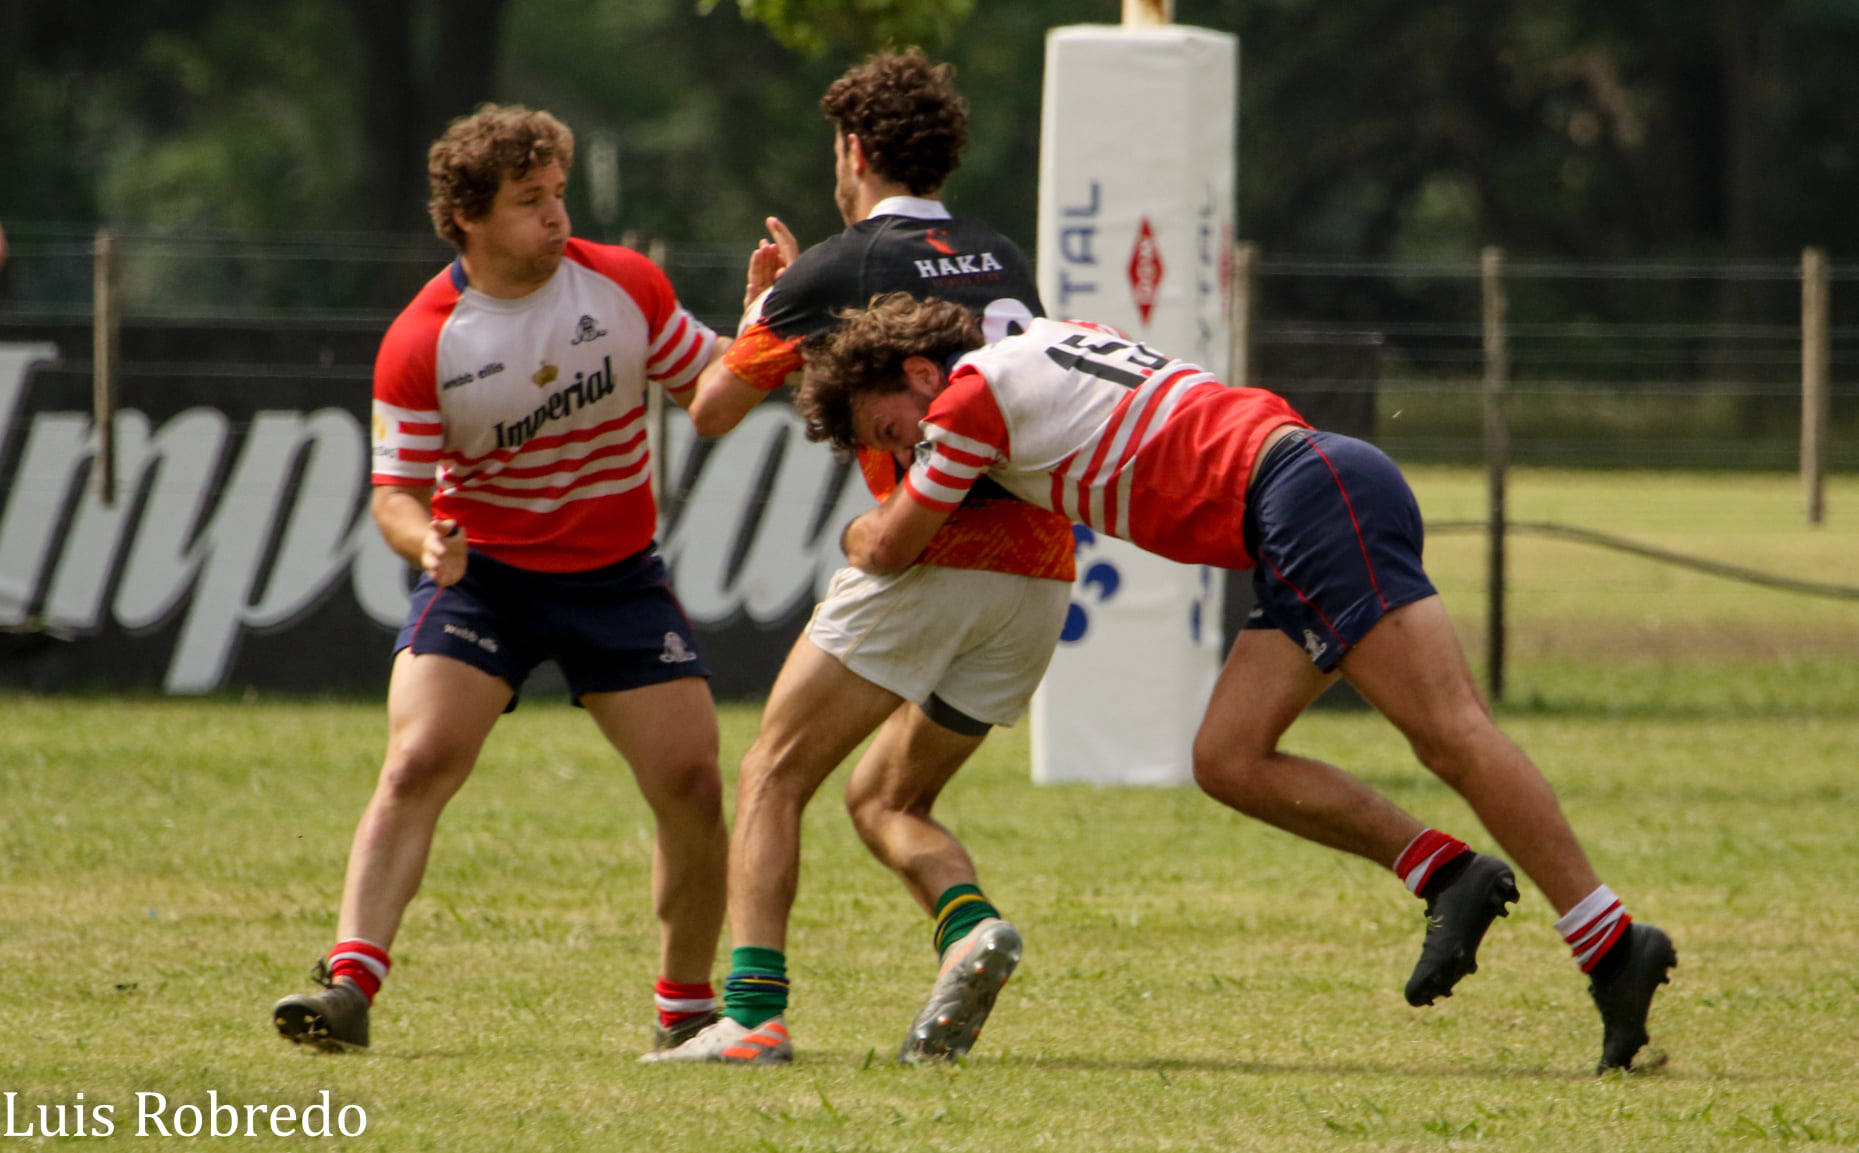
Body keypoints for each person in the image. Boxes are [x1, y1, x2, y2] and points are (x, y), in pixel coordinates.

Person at [794, 294, 1679, 1075]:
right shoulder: (1048, 340)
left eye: (888, 430)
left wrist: (854, 533)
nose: (906, 452)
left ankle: (1608, 942)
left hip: (1306, 494)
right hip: (1302, 499)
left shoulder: (965, 401)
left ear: (919, 369)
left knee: (1450, 733)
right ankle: (1447, 874)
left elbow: (893, 543)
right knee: (1227, 757)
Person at [271, 104, 730, 1055]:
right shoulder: (424, 337)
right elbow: (393, 493)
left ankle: (685, 1009)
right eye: (530, 202)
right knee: (417, 759)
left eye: (559, 193)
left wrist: (765, 328)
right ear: (468, 218)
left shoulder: (625, 283)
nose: (557, 217)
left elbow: (712, 392)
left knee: (691, 780)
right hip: (485, 580)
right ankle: (349, 984)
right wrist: (423, 545)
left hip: (616, 577)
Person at [646, 50, 1074, 1066]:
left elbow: (706, 407)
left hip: (929, 553)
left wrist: (766, 308)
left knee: (771, 772)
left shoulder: (834, 265)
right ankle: (969, 928)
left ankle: (750, 1018)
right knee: (884, 797)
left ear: (851, 149)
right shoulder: (1001, 255)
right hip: (1039, 577)